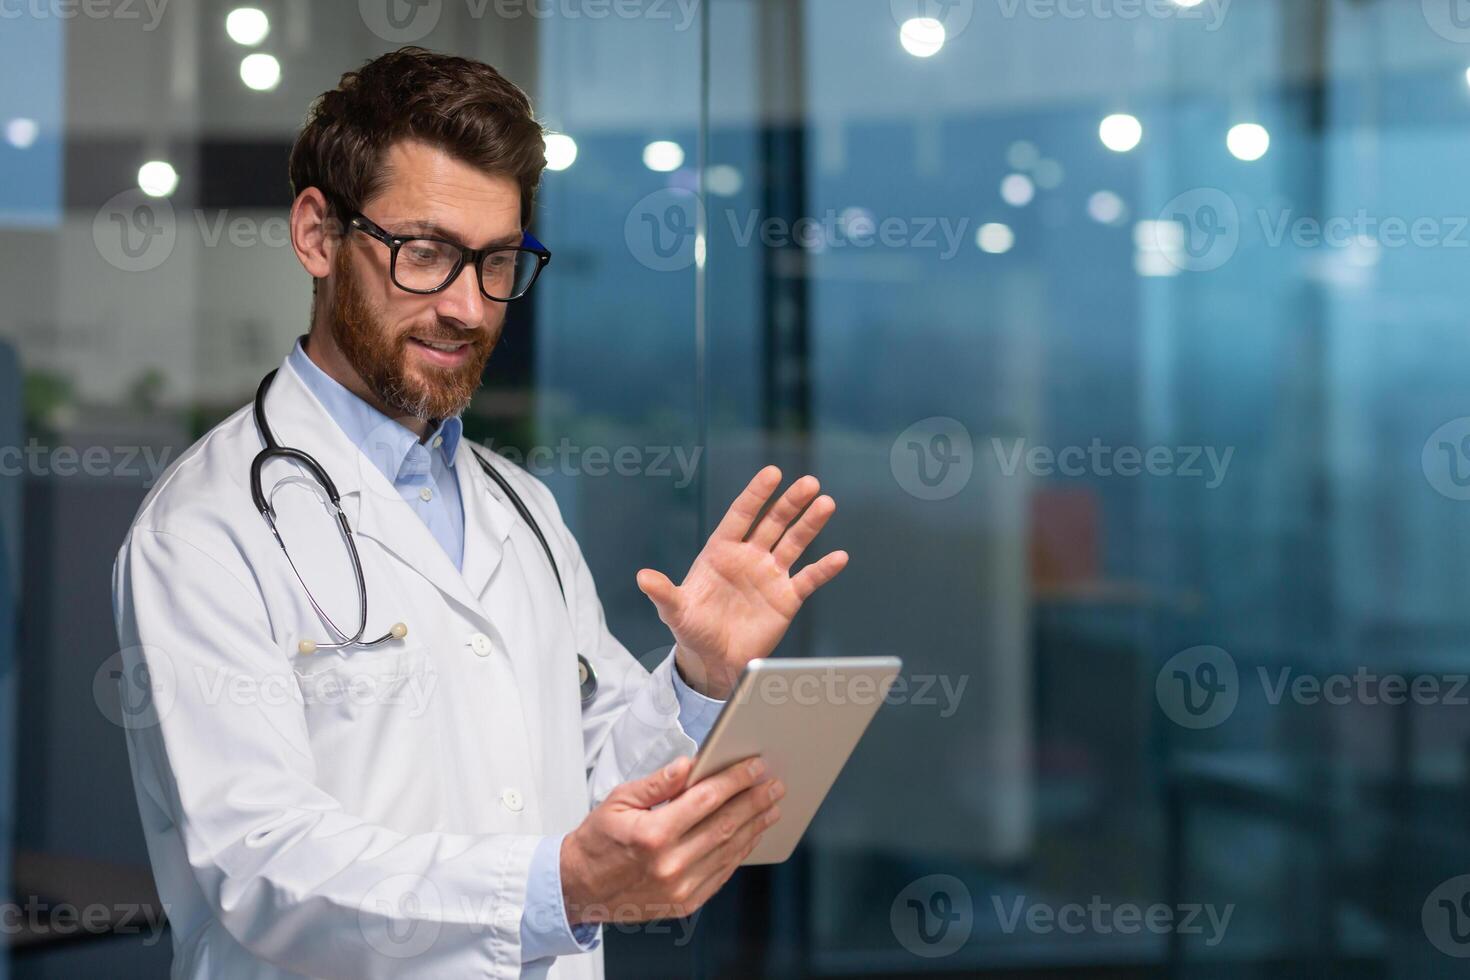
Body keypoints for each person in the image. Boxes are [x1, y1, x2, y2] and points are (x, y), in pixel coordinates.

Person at [110, 46, 849, 979]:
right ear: (316, 234)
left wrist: (700, 676)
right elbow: (259, 864)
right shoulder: (206, 528)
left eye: (497, 262)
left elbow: (602, 790)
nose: (466, 306)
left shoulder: (523, 510)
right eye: (424, 254)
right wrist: (556, 891)